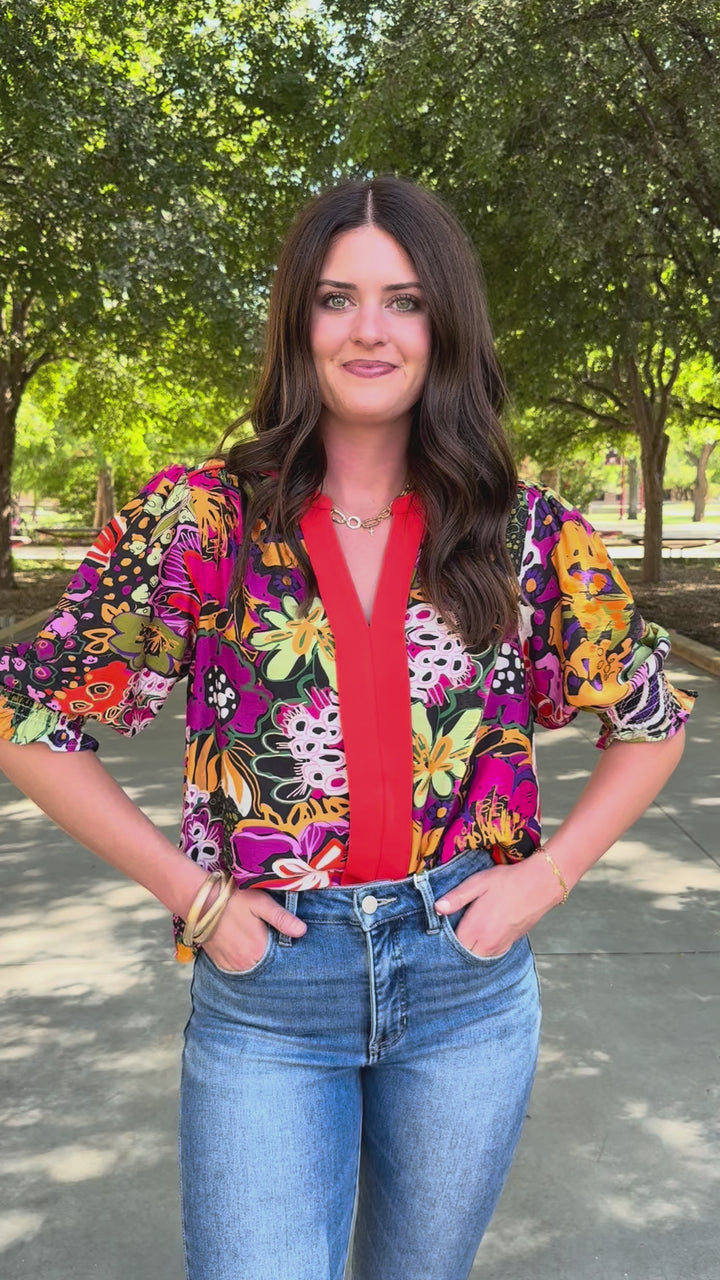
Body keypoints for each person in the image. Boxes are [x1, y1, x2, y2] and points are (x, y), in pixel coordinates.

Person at [0, 176, 695, 1280]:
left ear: (447, 323)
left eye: (404, 299)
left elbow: (651, 719)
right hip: (271, 993)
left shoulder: (518, 529)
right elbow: (26, 715)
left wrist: (549, 876)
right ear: (297, 320)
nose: (369, 328)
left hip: (464, 982)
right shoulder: (203, 519)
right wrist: (194, 896)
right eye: (338, 298)